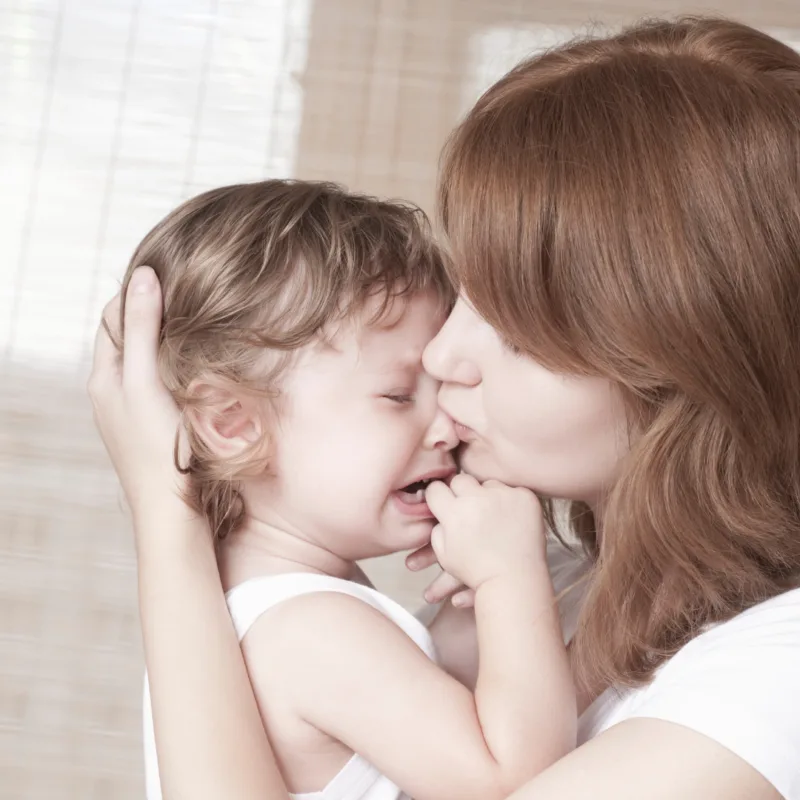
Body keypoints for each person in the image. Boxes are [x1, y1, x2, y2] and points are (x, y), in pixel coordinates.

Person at [89, 15, 800, 800]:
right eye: (469, 294)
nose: (442, 356)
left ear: (690, 365)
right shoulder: (556, 576)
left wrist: (169, 519)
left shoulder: (771, 668)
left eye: (520, 328)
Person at [112, 179, 575, 800]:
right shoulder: (312, 628)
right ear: (234, 425)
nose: (446, 427)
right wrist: (509, 582)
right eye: (397, 395)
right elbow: (512, 782)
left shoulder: (259, 610)